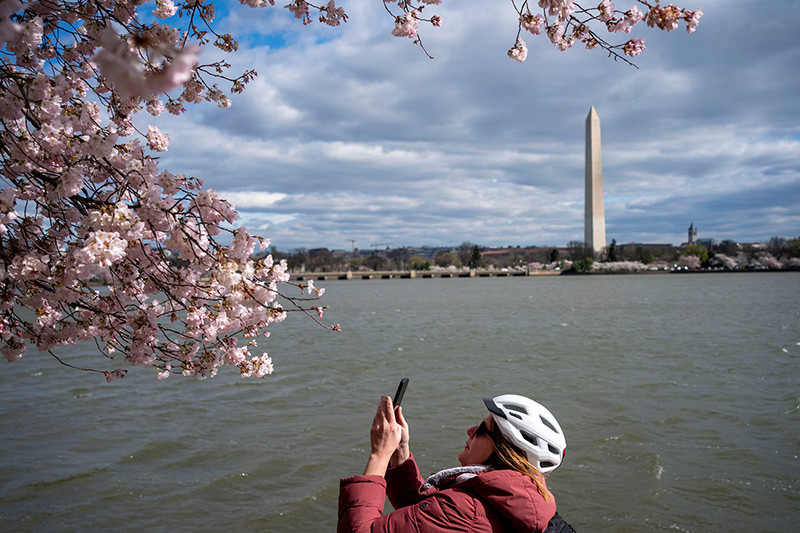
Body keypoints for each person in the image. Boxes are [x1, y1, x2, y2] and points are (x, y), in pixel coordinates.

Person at [338, 394, 575, 532]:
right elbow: (425, 519)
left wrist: (379, 455)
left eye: (482, 429)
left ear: (503, 449)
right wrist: (399, 454)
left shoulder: (467, 509)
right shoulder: (512, 497)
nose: (470, 430)